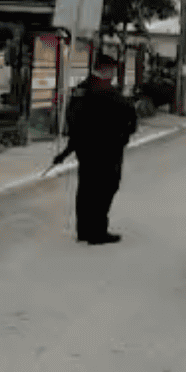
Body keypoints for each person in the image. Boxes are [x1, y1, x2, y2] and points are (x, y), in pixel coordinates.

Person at [53, 54, 138, 245]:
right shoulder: (105, 94)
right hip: (107, 150)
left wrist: (69, 149)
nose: (113, 75)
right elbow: (129, 117)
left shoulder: (81, 91)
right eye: (112, 71)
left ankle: (84, 230)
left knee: (87, 189)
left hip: (87, 150)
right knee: (104, 188)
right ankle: (97, 232)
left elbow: (73, 122)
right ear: (105, 70)